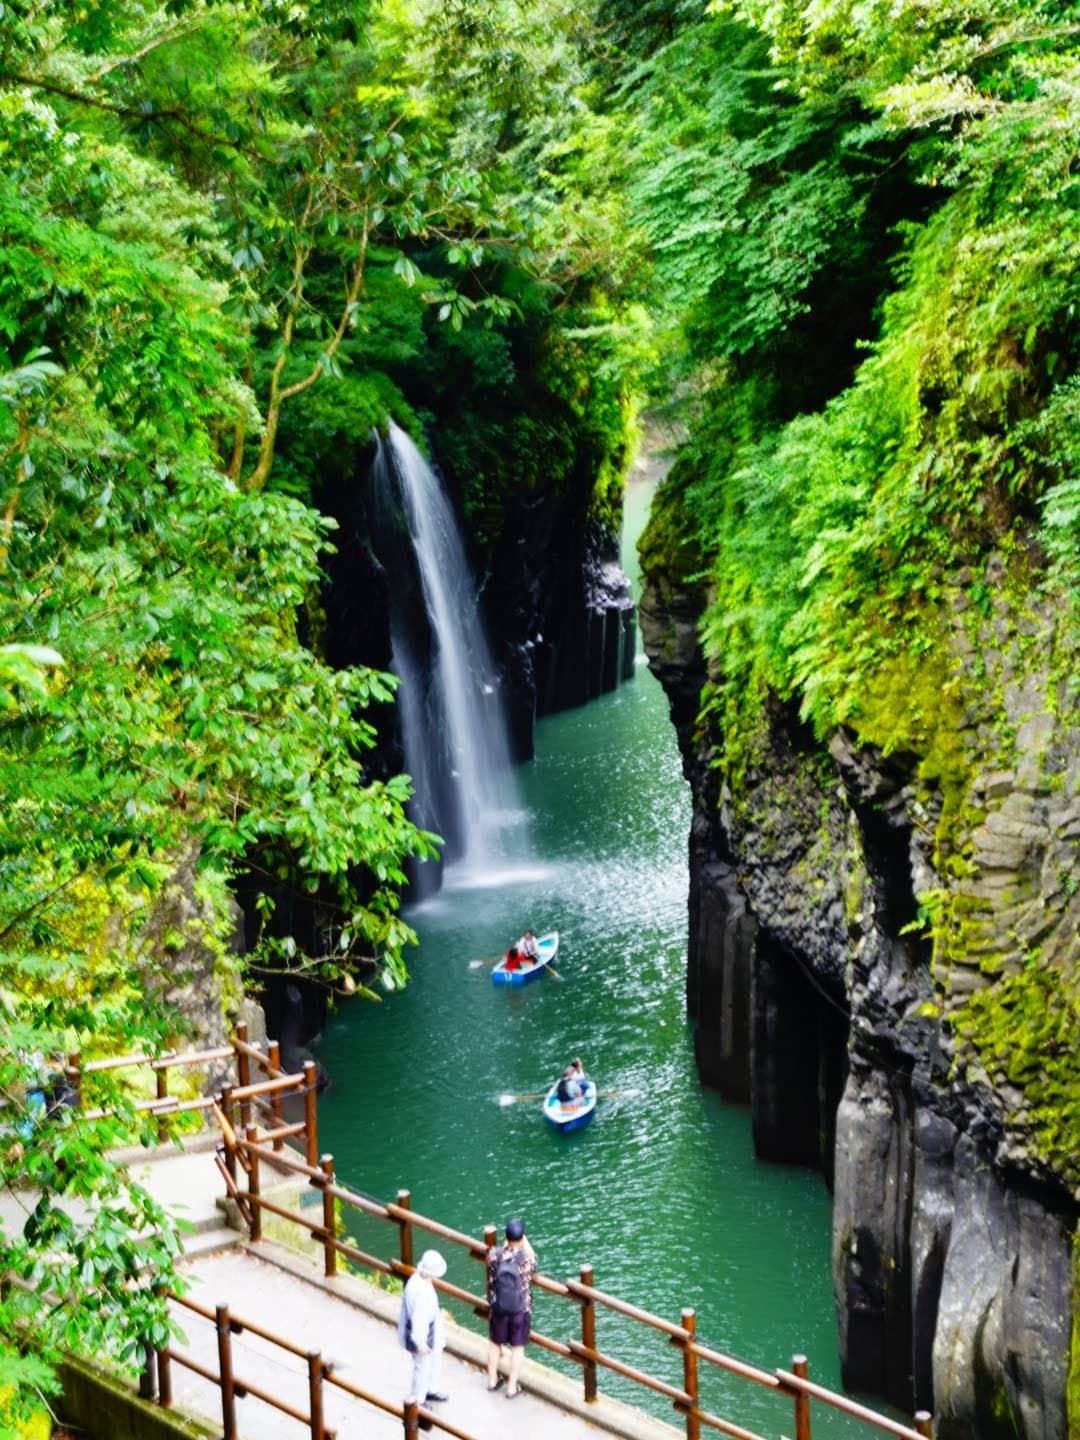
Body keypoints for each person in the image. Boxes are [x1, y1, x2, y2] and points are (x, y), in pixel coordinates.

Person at [486, 1217, 538, 1399]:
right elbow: (534, 1261)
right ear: (522, 1237)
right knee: (517, 1346)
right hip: (519, 1309)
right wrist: (525, 1243)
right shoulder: (526, 1259)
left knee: (494, 1342)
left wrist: (505, 1245)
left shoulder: (494, 1254)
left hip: (498, 1305)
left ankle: (492, 1380)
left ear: (505, 1237)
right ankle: (511, 1387)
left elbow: (493, 1264)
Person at [397, 1249, 449, 1408]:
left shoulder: (416, 1279)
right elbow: (419, 1320)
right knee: (422, 1366)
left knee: (432, 1360)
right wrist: (420, 1342)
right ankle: (418, 1399)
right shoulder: (422, 1293)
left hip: (428, 1329)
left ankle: (430, 1389)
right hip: (422, 1334)